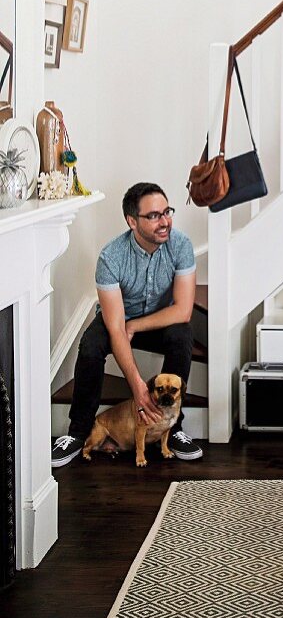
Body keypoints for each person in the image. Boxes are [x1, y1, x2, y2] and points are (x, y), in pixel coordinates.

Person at [51, 181, 203, 467]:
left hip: (160, 318)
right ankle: (78, 432)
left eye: (166, 211)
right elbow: (117, 327)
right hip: (118, 318)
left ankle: (175, 428)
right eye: (154, 216)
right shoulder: (111, 257)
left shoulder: (180, 244)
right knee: (91, 346)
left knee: (182, 335)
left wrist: (137, 326)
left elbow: (182, 311)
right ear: (132, 221)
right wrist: (137, 386)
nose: (165, 221)